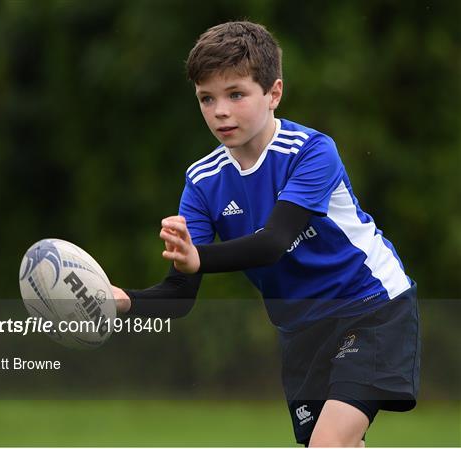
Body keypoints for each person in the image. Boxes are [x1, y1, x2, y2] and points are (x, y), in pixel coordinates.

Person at [111, 21, 420, 447]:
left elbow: (274, 242)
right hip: (301, 330)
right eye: (207, 98)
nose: (220, 111)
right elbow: (181, 296)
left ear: (273, 93)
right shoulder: (202, 182)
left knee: (329, 443)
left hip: (370, 305)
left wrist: (200, 257)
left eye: (236, 94)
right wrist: (122, 301)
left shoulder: (311, 151)